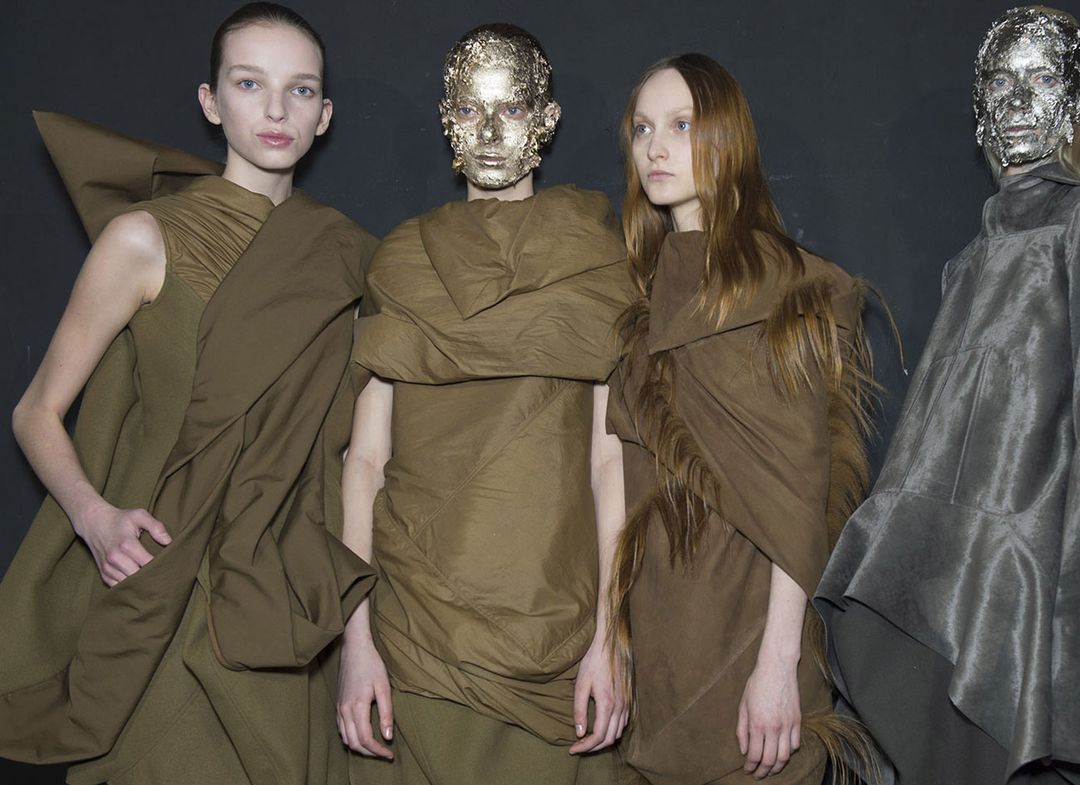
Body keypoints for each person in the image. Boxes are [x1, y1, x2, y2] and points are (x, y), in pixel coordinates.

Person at [815, 6, 1080, 784]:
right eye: (1000, 82)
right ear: (978, 108)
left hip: (1035, 644)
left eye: (1041, 79)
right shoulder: (973, 258)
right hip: (950, 613)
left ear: (1077, 98)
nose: (1019, 101)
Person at [0, 3, 377, 784]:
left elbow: (357, 454)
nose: (276, 110)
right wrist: (94, 517)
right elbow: (35, 410)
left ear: (325, 115)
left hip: (285, 599)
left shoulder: (353, 260)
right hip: (163, 585)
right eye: (250, 83)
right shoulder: (142, 238)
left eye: (300, 91)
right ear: (211, 102)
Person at [337, 23, 633, 784]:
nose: (494, 134)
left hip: (556, 630)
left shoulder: (594, 256)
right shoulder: (401, 259)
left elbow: (609, 462)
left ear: (548, 118)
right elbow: (366, 460)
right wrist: (355, 639)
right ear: (446, 117)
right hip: (412, 629)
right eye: (472, 112)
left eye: (514, 109)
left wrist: (612, 635)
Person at [604, 54, 880, 784]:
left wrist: (778, 663)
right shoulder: (636, 296)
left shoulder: (788, 289)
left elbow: (800, 496)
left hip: (750, 634)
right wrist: (610, 640)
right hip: (661, 634)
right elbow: (619, 477)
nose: (657, 148)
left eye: (683, 125)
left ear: (728, 138)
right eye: (642, 129)